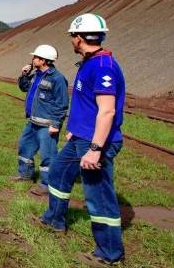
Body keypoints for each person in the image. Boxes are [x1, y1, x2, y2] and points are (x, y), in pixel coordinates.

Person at [39, 13, 125, 266]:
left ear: (78, 38)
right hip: (81, 138)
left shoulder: (102, 67)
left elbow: (107, 110)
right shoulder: (89, 63)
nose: (71, 41)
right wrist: (75, 130)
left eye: (71, 37)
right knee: (57, 174)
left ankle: (109, 254)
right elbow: (87, 105)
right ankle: (54, 220)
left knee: (98, 197)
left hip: (93, 143)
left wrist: (96, 149)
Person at [12, 44, 69, 195]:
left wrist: (56, 124)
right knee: (25, 148)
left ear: (43, 60)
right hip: (32, 122)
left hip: (47, 125)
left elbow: (62, 104)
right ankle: (25, 175)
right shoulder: (36, 75)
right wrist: (24, 74)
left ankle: (47, 185)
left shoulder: (57, 79)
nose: (33, 59)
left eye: (35, 57)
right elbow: (24, 87)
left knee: (47, 156)